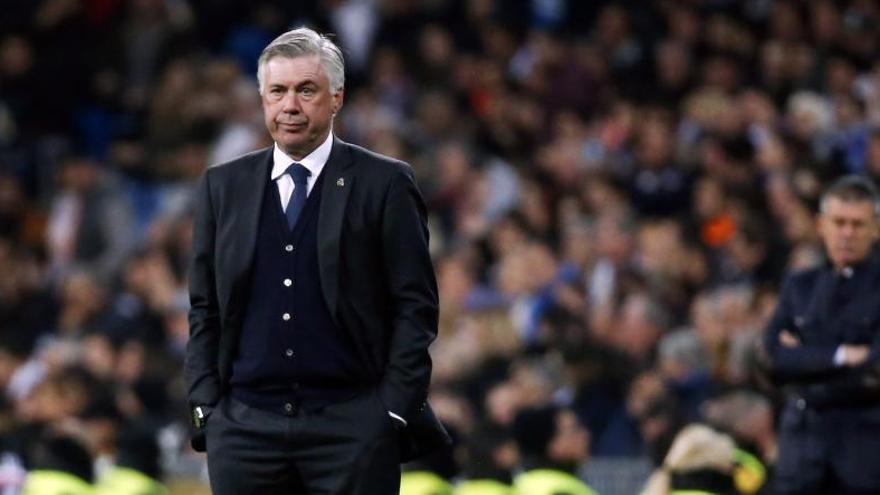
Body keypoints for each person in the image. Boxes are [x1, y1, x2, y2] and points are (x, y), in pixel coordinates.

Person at [185, 27, 449, 494]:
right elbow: (204, 307)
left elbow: (416, 306)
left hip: (352, 426)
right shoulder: (222, 186)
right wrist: (207, 404)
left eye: (307, 90)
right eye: (278, 91)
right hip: (244, 429)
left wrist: (390, 410)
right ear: (262, 98)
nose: (290, 105)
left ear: (337, 98)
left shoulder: (384, 183)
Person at [762, 175, 880, 494]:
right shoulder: (799, 285)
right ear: (821, 225)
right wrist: (842, 355)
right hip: (800, 452)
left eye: (858, 224)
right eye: (839, 222)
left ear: (876, 229)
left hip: (863, 455)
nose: (847, 233)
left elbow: (873, 371)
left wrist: (803, 364)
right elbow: (772, 359)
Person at [511, 405, 597, 495]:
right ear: (550, 443)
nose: (585, 435)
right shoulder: (560, 490)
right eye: (574, 430)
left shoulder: (526, 482)